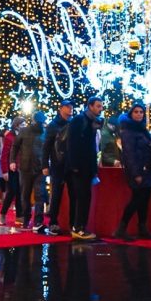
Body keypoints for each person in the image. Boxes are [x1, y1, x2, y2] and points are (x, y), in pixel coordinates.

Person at [114, 103, 151, 241]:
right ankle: (121, 228)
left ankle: (143, 228)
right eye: (136, 112)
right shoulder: (128, 131)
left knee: (144, 200)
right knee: (136, 200)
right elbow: (129, 154)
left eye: (141, 112)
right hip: (137, 170)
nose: (139, 114)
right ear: (131, 114)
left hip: (147, 169)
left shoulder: (142, 129)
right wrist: (136, 173)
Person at [66, 96, 103, 240]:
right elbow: (73, 144)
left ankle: (81, 226)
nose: (100, 109)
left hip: (87, 167)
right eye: (98, 106)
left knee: (85, 197)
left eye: (101, 106)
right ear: (90, 106)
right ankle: (77, 227)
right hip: (79, 167)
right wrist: (74, 165)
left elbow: (91, 147)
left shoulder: (92, 122)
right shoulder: (79, 120)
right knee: (81, 197)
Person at [12, 111, 48, 232]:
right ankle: (29, 219)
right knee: (27, 195)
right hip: (27, 167)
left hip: (37, 168)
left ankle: (36, 220)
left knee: (37, 195)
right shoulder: (26, 131)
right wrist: (12, 161)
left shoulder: (44, 132)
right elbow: (15, 146)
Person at [43, 99, 74, 235]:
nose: (70, 109)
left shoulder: (72, 124)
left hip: (71, 164)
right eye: (67, 107)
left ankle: (73, 223)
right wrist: (45, 164)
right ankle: (53, 222)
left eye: (71, 107)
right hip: (57, 165)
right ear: (60, 109)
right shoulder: (53, 126)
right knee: (56, 194)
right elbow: (46, 147)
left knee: (74, 195)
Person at [0, 116, 25, 226]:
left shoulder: (24, 136)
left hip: (22, 168)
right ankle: (2, 213)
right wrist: (4, 171)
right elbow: (4, 155)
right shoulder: (9, 137)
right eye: (22, 124)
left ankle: (19, 215)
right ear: (17, 125)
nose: (24, 126)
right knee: (12, 191)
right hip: (12, 168)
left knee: (19, 192)